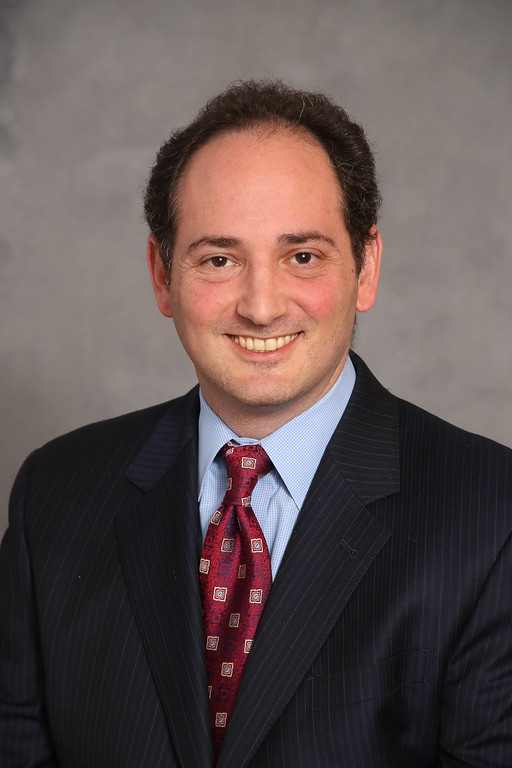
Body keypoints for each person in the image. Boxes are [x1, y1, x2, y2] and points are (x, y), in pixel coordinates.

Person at [1, 80, 511, 768]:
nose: (262, 306)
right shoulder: (55, 494)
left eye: (302, 256)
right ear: (162, 274)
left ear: (365, 268)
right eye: (220, 259)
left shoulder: (491, 514)